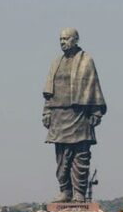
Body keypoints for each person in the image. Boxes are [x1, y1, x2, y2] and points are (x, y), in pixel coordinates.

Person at [42, 28, 106, 202]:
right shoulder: (56, 62)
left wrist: (96, 112)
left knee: (80, 156)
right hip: (58, 114)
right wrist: (47, 111)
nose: (62, 42)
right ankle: (65, 190)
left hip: (79, 114)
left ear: (75, 39)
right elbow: (49, 92)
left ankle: (79, 192)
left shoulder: (86, 61)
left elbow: (93, 87)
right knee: (62, 157)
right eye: (60, 39)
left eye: (66, 38)